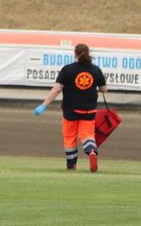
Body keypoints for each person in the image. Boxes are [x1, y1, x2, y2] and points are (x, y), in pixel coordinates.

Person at [34, 44, 108, 172]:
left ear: (75, 54)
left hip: (70, 109)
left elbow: (57, 89)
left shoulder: (68, 69)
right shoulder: (96, 70)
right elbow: (104, 89)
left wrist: (44, 105)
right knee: (87, 135)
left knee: (70, 137)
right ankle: (91, 152)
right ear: (88, 53)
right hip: (89, 110)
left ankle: (71, 165)